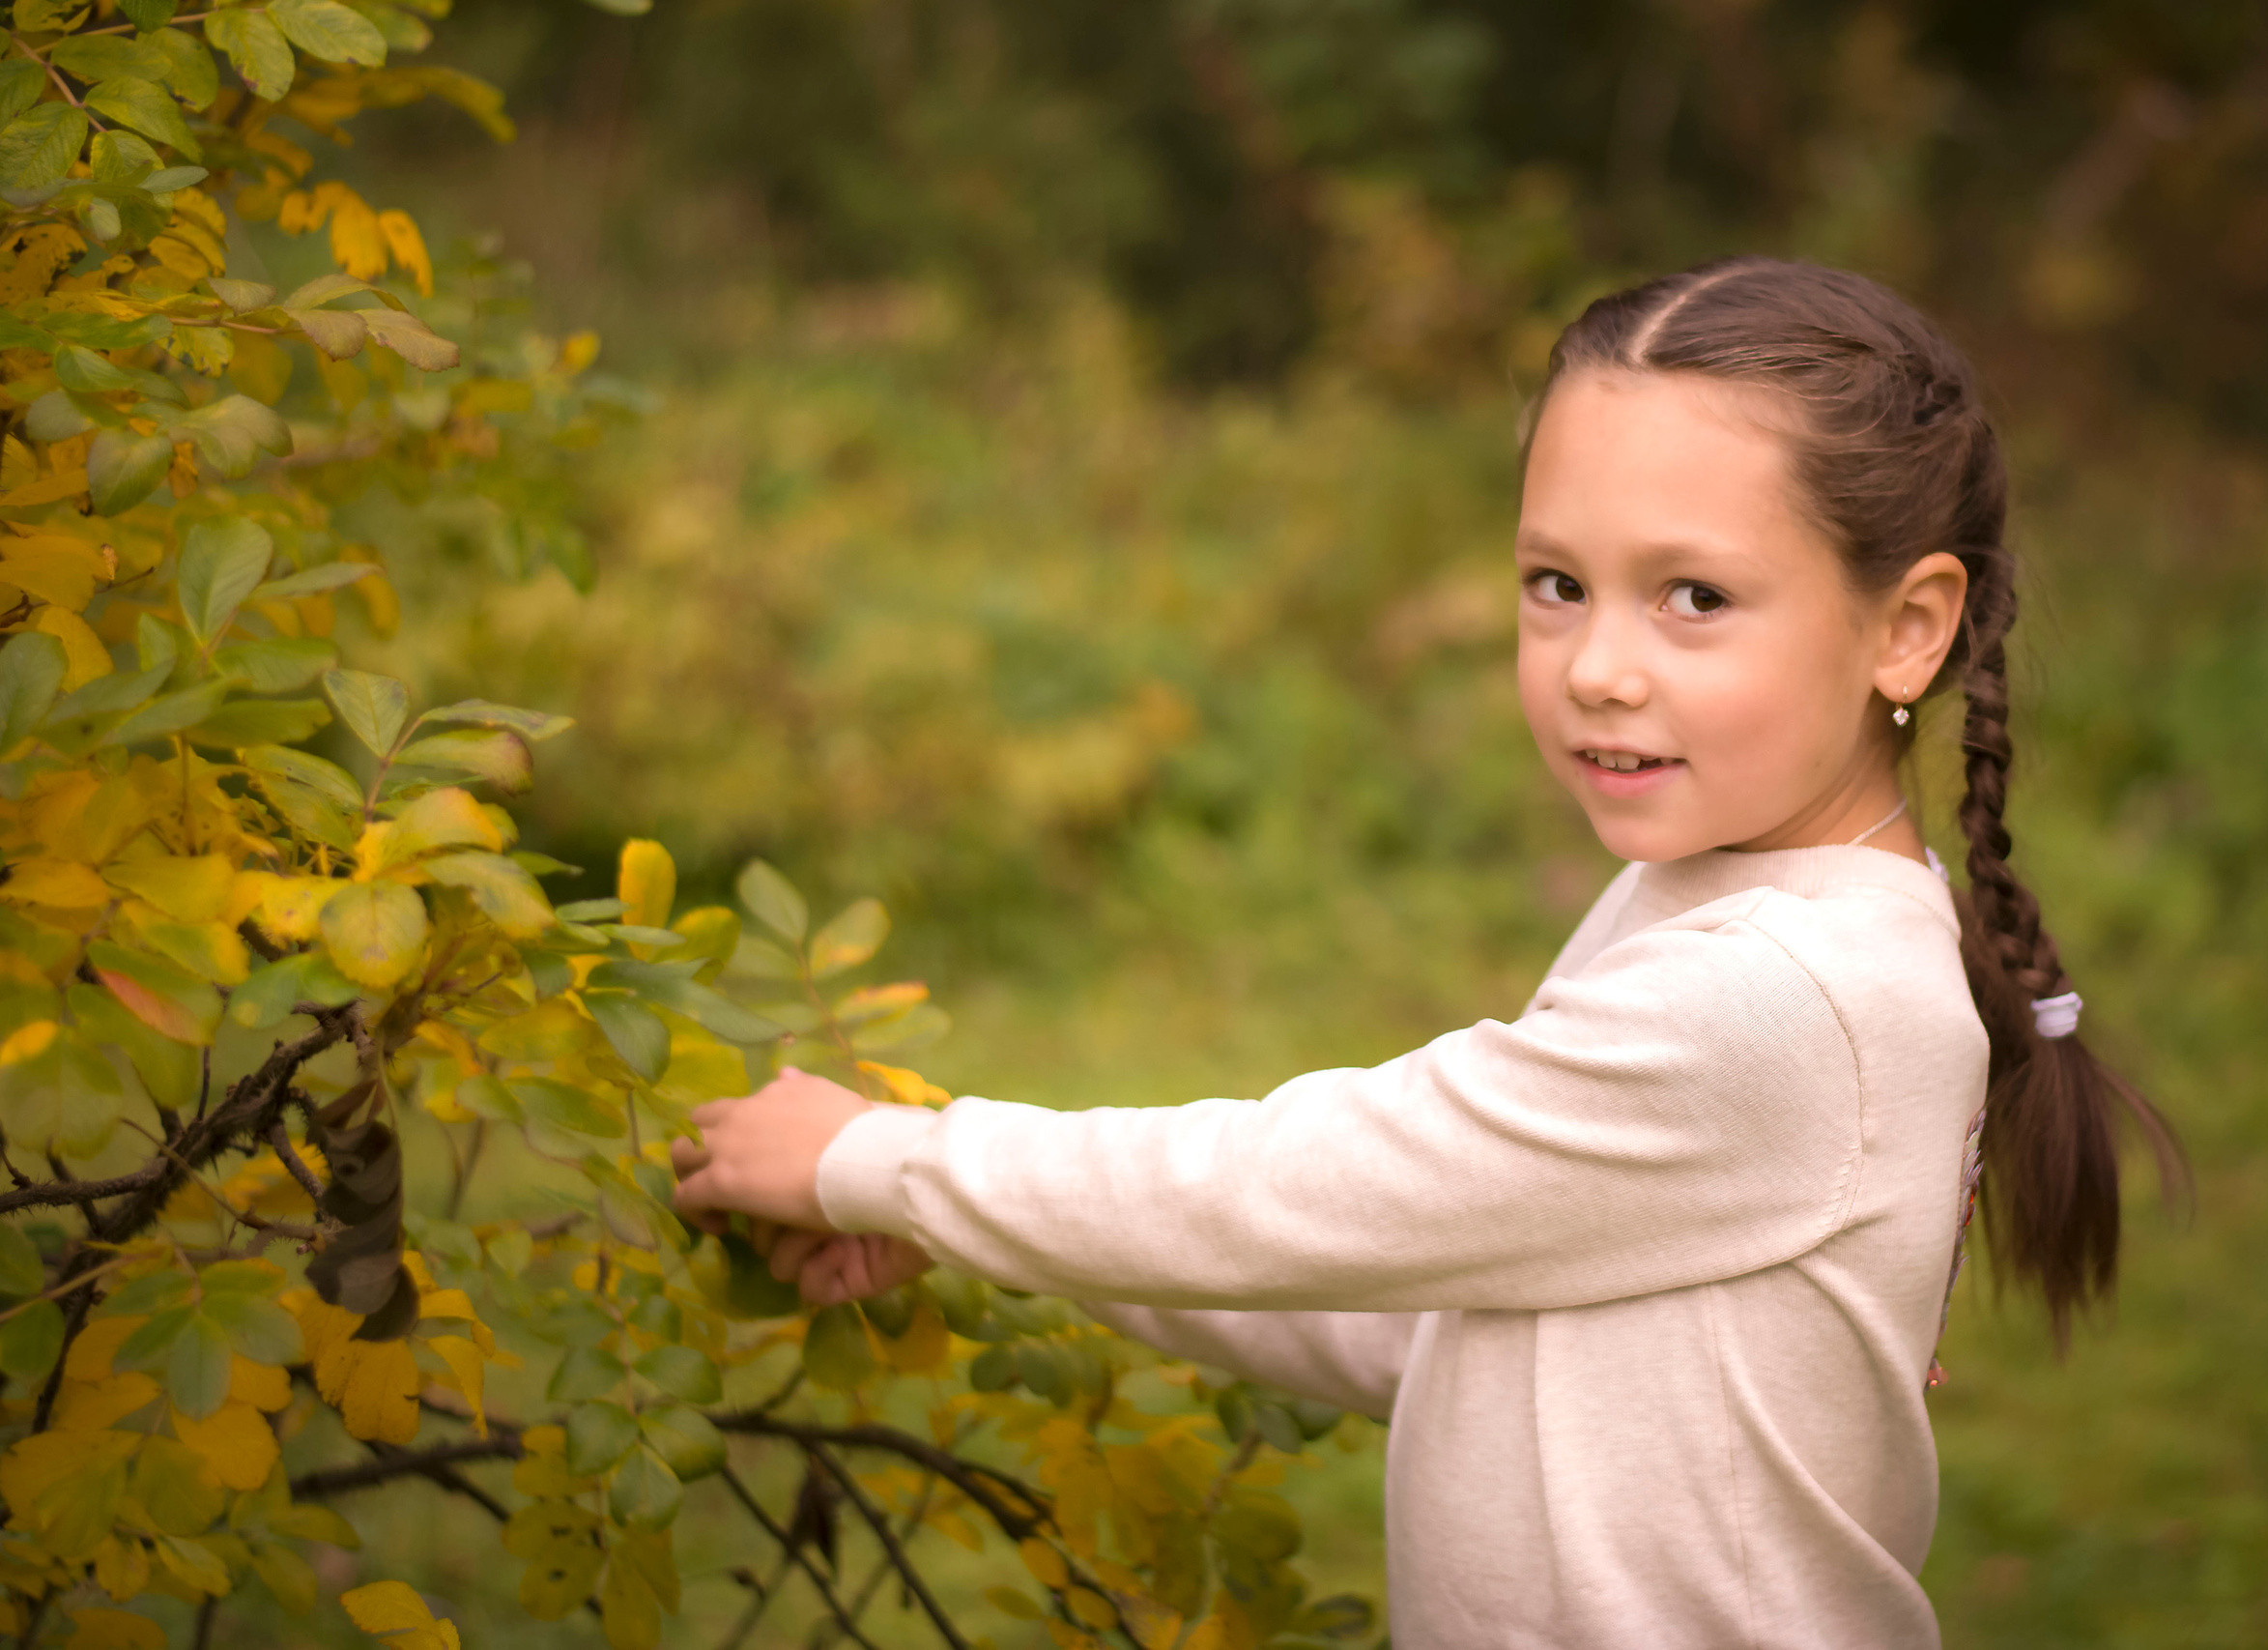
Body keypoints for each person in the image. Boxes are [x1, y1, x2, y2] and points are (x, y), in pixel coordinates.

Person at [670, 256, 2181, 1648]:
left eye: (1696, 598)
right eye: (1556, 585)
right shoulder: (1722, 900)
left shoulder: (1785, 1000)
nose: (1598, 667)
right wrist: (950, 1213)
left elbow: (1305, 1187)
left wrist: (883, 1161)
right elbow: (1438, 1301)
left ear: (1908, 627)